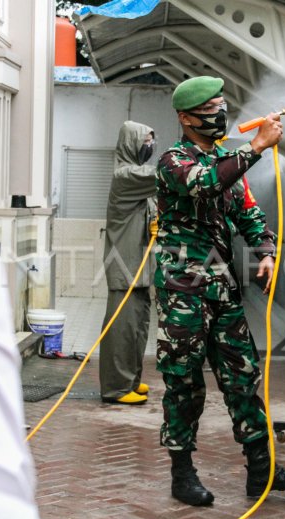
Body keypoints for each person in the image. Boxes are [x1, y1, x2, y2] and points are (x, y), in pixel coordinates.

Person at [155, 76, 285, 506]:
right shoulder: (173, 161)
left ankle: (262, 473)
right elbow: (206, 183)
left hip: (221, 291)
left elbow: (248, 213)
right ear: (185, 118)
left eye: (221, 103)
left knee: (243, 379)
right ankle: (182, 474)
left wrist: (264, 250)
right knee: (184, 385)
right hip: (182, 290)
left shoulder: (228, 160)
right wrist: (256, 147)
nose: (219, 113)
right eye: (208, 107)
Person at [99, 120, 157, 405]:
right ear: (131, 143)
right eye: (145, 141)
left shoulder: (136, 179)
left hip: (141, 270)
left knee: (137, 330)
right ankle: (116, 388)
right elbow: (165, 176)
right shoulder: (126, 176)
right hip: (126, 269)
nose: (150, 146)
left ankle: (131, 380)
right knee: (121, 333)